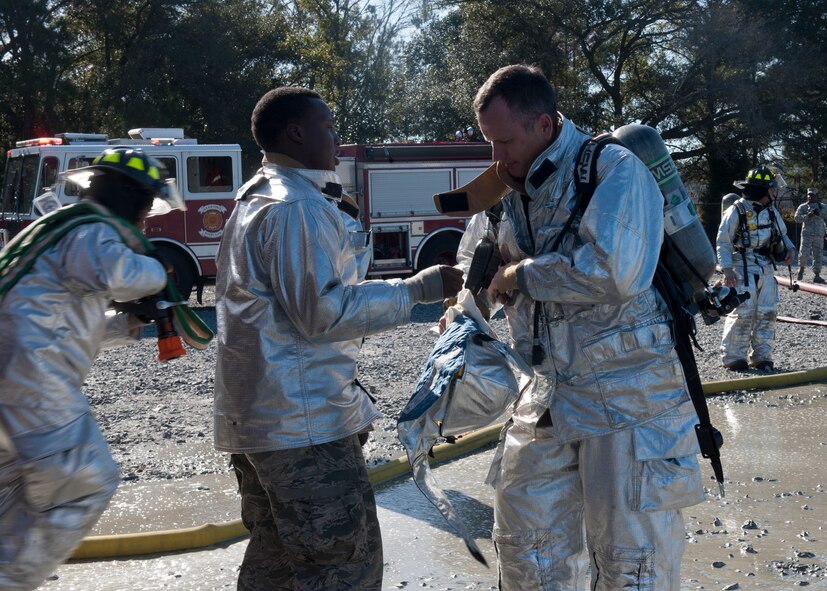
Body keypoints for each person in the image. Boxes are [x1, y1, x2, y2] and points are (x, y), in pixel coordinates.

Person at [462, 64, 705, 590]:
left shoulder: (615, 169)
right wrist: (465, 307)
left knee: (631, 562)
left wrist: (520, 274)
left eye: (503, 141)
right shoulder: (502, 186)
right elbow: (473, 265)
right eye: (488, 142)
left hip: (630, 403)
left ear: (545, 126)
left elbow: (613, 270)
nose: (496, 157)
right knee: (527, 550)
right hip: (545, 395)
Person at [213, 86, 462, 591]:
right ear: (296, 133)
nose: (337, 137)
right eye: (328, 126)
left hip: (260, 423)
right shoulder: (294, 206)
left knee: (276, 567)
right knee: (344, 569)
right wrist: (417, 289)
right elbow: (322, 313)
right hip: (303, 429)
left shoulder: (255, 196)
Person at [0, 147, 182, 590]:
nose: (145, 222)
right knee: (85, 482)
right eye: (146, 208)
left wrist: (126, 323)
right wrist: (159, 270)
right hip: (32, 380)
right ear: (133, 198)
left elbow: (56, 320)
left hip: (15, 380)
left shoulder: (54, 229)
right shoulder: (92, 228)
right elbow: (119, 272)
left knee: (10, 494)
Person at [716, 166, 794, 372]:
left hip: (766, 269)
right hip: (743, 268)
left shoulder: (771, 211)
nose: (774, 193)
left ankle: (762, 357)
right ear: (762, 190)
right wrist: (727, 270)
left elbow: (783, 235)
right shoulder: (736, 211)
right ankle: (733, 358)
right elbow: (723, 242)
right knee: (743, 312)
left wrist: (789, 250)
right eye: (771, 189)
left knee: (767, 313)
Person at [794, 187, 827, 283]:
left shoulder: (823, 207)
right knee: (803, 253)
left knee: (818, 255)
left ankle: (817, 275)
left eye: (812, 195)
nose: (810, 196)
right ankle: (801, 270)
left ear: (817, 196)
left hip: (819, 235)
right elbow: (796, 218)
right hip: (807, 235)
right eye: (809, 195)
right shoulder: (803, 207)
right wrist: (808, 216)